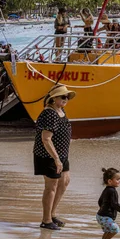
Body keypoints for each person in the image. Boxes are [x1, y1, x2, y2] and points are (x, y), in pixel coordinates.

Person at [33, 84, 75, 230]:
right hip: (48, 155)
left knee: (64, 181)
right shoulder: (49, 113)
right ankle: (46, 220)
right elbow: (46, 139)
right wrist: (56, 158)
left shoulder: (60, 110)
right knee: (51, 186)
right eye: (62, 97)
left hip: (62, 154)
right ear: (53, 98)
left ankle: (52, 214)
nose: (65, 99)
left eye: (67, 97)